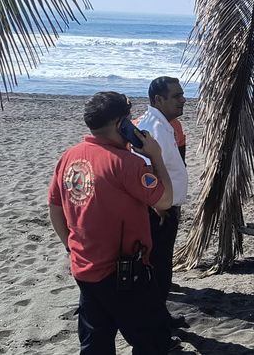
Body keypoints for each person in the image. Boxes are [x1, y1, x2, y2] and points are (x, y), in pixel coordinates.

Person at [47, 91, 177, 353]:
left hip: (84, 267)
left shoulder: (70, 156)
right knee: (152, 339)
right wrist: (155, 155)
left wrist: (69, 247)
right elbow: (164, 200)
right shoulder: (126, 163)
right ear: (121, 124)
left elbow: (55, 207)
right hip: (123, 273)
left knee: (96, 341)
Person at [136, 77, 188, 308]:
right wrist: (158, 205)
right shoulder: (152, 128)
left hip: (164, 206)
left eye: (182, 95)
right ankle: (158, 321)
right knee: (158, 267)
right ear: (158, 99)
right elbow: (144, 171)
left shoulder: (162, 124)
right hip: (160, 210)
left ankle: (160, 316)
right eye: (176, 96)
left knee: (162, 264)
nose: (183, 100)